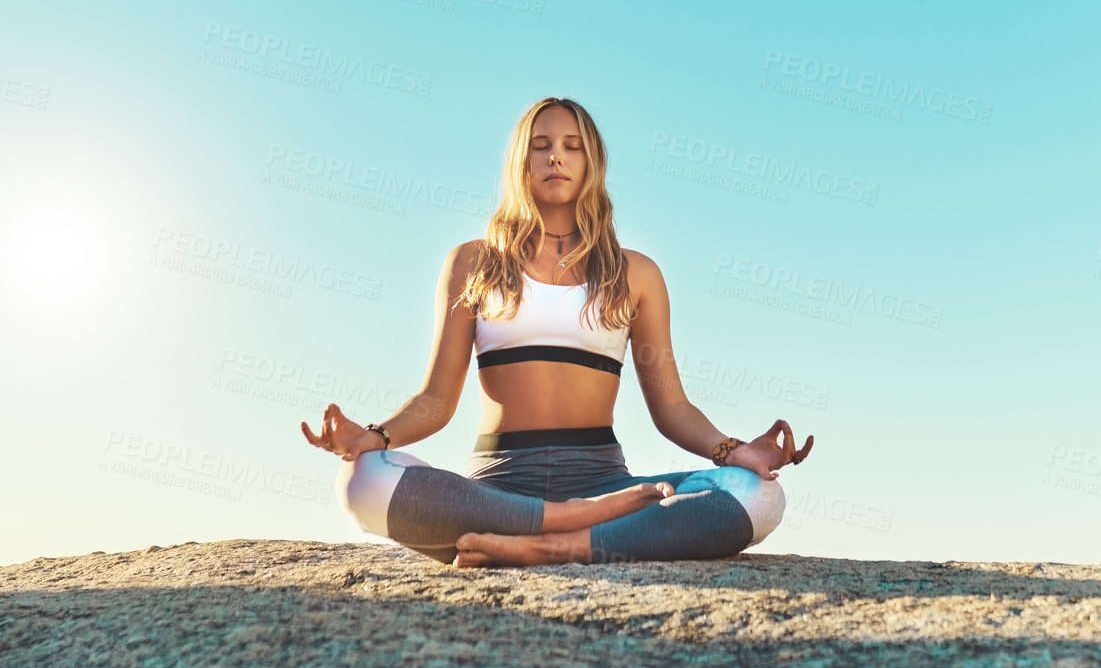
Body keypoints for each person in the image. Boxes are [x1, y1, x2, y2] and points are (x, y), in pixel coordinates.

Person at [301, 96, 814, 567]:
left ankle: (547, 546)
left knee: (759, 494)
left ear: (592, 162)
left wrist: (734, 452)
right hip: (497, 486)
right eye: (540, 146)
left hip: (604, 479)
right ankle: (569, 525)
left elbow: (673, 409)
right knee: (360, 481)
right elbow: (436, 398)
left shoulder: (637, 274)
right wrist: (374, 437)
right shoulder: (473, 263)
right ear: (521, 162)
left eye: (571, 146)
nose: (555, 158)